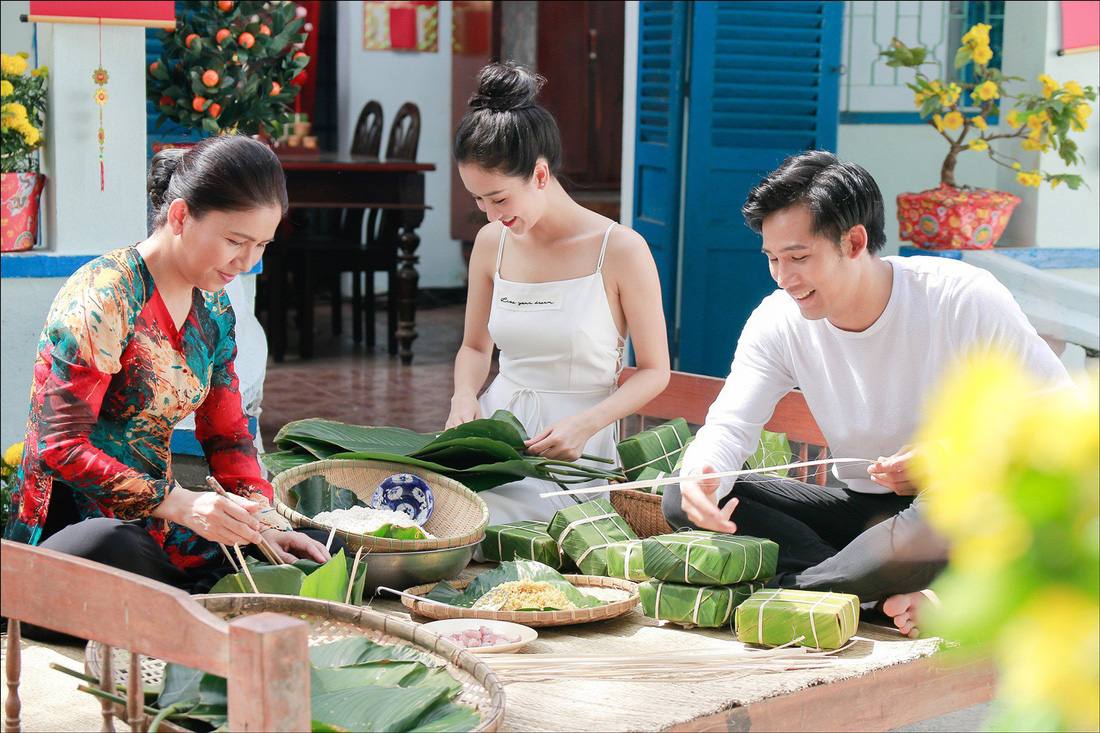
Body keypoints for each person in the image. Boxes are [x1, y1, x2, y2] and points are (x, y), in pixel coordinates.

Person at [663, 150, 1073, 636]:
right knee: (680, 497)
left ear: (854, 241)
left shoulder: (961, 298)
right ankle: (868, 589)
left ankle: (800, 594)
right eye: (772, 258)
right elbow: (729, 425)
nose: (782, 277)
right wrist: (702, 475)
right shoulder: (778, 320)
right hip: (862, 516)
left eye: (798, 257)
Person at [4, 134, 333, 594]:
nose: (247, 261)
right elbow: (56, 447)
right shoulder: (104, 296)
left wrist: (262, 522)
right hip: (73, 534)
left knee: (317, 546)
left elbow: (229, 435)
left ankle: (187, 598)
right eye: (236, 241)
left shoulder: (214, 309)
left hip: (161, 532)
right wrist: (178, 503)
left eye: (262, 245)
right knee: (114, 544)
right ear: (180, 216)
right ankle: (190, 598)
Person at [446, 62, 670, 523]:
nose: (489, 215)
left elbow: (655, 371)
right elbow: (474, 346)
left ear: (541, 175)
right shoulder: (493, 244)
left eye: (500, 198)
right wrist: (463, 397)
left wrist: (587, 424)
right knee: (436, 515)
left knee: (502, 532)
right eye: (478, 200)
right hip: (495, 438)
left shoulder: (621, 250)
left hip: (573, 450)